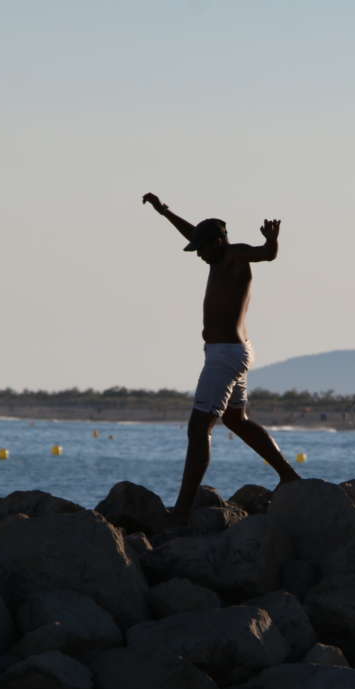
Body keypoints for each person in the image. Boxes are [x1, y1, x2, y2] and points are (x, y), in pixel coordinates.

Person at [142, 192, 301, 525]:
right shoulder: (215, 256)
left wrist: (272, 241)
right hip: (230, 352)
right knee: (235, 420)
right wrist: (164, 212)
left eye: (202, 249)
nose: (198, 255)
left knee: (199, 427)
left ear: (218, 242)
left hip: (226, 355)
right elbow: (192, 234)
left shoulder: (233, 255)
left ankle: (182, 510)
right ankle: (289, 476)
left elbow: (267, 255)